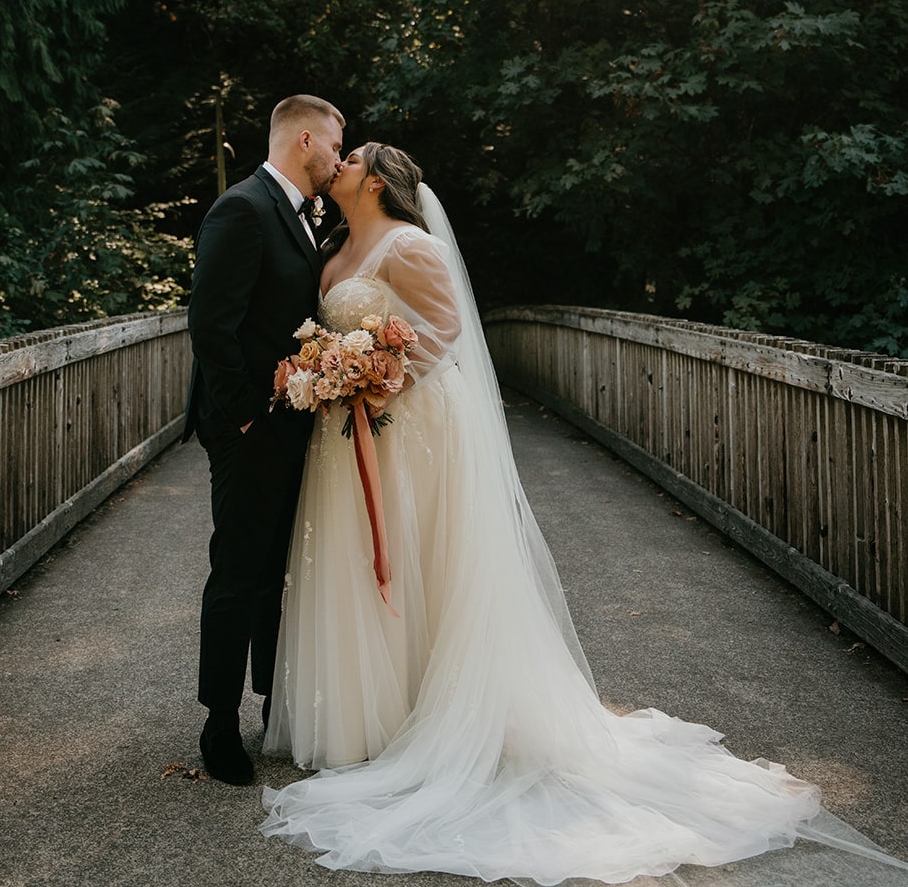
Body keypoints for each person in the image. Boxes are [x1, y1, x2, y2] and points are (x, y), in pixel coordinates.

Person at [260, 143, 885, 884]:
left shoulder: (410, 243)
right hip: (345, 431)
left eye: (353, 154)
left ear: (375, 178)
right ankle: (366, 717)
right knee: (352, 557)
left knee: (417, 551)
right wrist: (329, 371)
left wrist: (373, 377)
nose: (340, 159)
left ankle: (426, 720)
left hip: (409, 426)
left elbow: (447, 329)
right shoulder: (335, 243)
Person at [183, 94, 344, 786]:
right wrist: (247, 413)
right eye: (335, 144)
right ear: (304, 139)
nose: (338, 158)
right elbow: (210, 325)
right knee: (239, 569)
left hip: (291, 422)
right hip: (248, 427)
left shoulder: (303, 217)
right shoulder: (242, 209)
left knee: (278, 570)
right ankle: (218, 723)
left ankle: (272, 702)